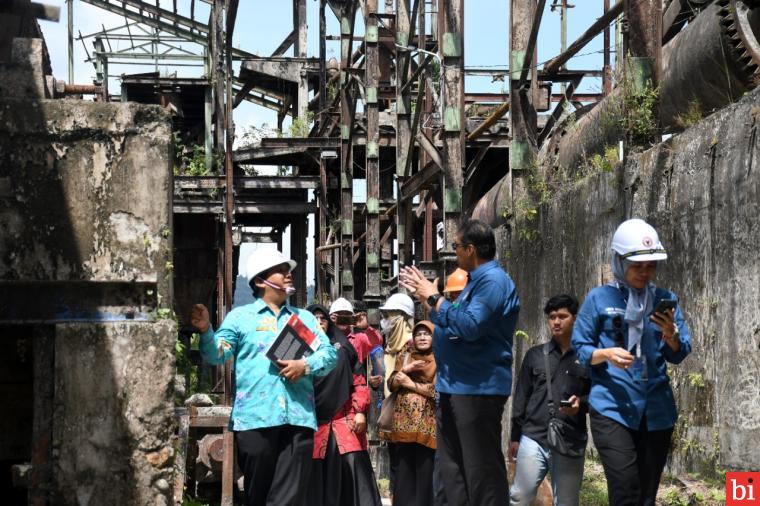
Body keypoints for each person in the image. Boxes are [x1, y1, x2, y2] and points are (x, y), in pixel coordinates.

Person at [190, 249, 337, 506]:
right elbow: (217, 354)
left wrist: (305, 366)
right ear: (261, 281)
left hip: (298, 419)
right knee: (258, 496)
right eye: (281, 270)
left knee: (288, 499)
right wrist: (205, 331)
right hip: (254, 419)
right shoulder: (240, 318)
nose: (288, 274)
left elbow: (329, 356)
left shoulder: (304, 319)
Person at [571, 219, 692, 506]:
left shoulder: (666, 299)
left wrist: (671, 335)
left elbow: (679, 351)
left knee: (646, 496)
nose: (645, 272)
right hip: (612, 408)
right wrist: (606, 354)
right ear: (619, 261)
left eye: (651, 265)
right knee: (625, 489)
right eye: (638, 265)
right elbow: (580, 347)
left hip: (657, 411)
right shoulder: (599, 298)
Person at [400, 219, 520, 506]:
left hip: (477, 388)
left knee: (481, 472)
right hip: (454, 386)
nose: (453, 253)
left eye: (455, 247)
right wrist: (432, 302)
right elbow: (452, 323)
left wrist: (435, 298)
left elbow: (469, 326)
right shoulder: (473, 283)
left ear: (470, 249)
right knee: (452, 471)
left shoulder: (493, 282)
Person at [509, 294, 590, 506]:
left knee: (566, 501)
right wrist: (515, 438)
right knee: (519, 497)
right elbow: (521, 398)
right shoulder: (535, 355)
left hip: (570, 438)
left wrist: (580, 403)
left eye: (562, 316)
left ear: (575, 318)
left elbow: (599, 395)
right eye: (552, 316)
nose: (556, 321)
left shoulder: (588, 357)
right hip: (534, 436)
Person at [309, 297, 383, 506]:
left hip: (343, 417)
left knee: (353, 469)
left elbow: (359, 382)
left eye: (323, 318)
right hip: (311, 422)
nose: (319, 321)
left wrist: (359, 410)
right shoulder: (298, 349)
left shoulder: (344, 347)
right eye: (314, 318)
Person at [381, 320, 438, 506]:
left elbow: (437, 391)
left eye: (426, 334)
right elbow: (391, 384)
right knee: (403, 475)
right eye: (418, 334)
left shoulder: (440, 358)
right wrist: (406, 370)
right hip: (402, 425)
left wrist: (410, 384)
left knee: (425, 474)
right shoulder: (405, 355)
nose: (422, 337)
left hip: (427, 427)